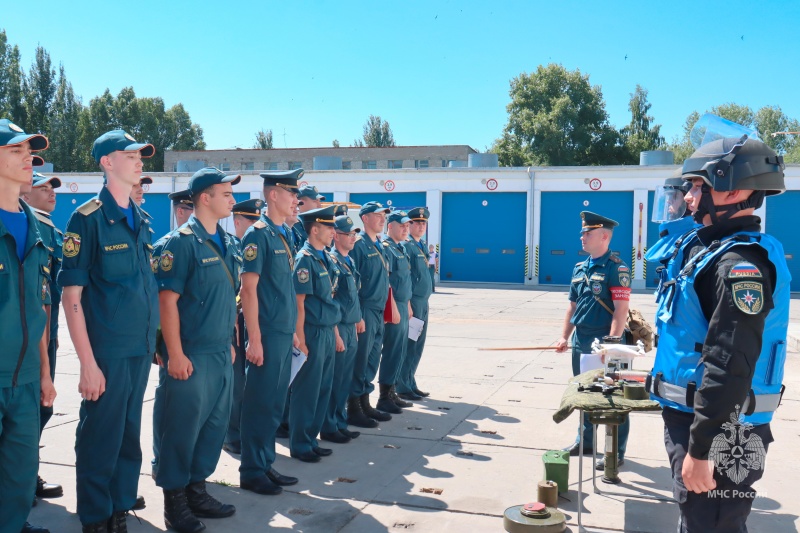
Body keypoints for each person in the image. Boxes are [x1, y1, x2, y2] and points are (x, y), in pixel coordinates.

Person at [648, 136, 789, 531]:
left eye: (698, 186)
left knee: (711, 525)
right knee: (696, 520)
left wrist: (703, 447)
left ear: (738, 189)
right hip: (697, 419)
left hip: (724, 434)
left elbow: (729, 361)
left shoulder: (739, 266)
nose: (689, 198)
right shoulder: (710, 250)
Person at [59, 129, 159, 533]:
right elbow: (72, 297)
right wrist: (87, 363)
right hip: (108, 350)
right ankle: (97, 516)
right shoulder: (86, 219)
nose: (139, 161)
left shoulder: (143, 220)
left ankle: (119, 506)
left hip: (139, 346)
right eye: (130, 155)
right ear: (107, 163)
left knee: (129, 434)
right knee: (101, 435)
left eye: (140, 156)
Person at [154, 167, 241, 532]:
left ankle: (196, 490)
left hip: (221, 352)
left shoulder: (228, 242)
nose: (232, 200)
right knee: (180, 428)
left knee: (212, 427)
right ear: (205, 197)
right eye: (226, 194)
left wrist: (232, 341)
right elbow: (166, 302)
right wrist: (174, 353)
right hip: (190, 353)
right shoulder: (180, 243)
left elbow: (229, 297)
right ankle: (175, 503)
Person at [0, 119, 56, 533]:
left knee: (21, 471)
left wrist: (45, 372)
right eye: (16, 151)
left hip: (24, 379)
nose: (28, 160)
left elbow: (39, 307)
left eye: (29, 152)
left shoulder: (36, 227)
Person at [238, 169, 303, 496]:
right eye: (292, 193)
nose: (297, 200)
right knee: (260, 403)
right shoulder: (258, 235)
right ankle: (251, 469)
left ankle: (264, 462)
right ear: (273, 195)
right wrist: (255, 338)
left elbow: (284, 288)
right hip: (264, 334)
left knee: (275, 403)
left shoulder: (284, 234)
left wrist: (291, 330)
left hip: (281, 332)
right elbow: (248, 290)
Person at [554, 211, 631, 467]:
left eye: (588, 233)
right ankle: (585, 441)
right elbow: (572, 307)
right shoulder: (579, 268)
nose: (582, 237)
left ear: (604, 236)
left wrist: (612, 343)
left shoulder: (617, 268)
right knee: (584, 393)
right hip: (581, 341)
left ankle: (615, 451)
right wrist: (564, 337)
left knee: (612, 397)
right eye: (582, 233)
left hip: (607, 344)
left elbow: (621, 309)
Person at [21, 172, 66, 502]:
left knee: (39, 408)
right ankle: (21, 477)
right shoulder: (39, 228)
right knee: (31, 409)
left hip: (44, 334)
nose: (51, 193)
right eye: (44, 187)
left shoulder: (50, 228)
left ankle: (23, 475)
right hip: (28, 335)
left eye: (53, 188)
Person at [288, 205, 341, 462]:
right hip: (311, 332)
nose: (333, 231)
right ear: (315, 229)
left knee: (322, 388)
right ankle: (299, 443)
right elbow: (299, 303)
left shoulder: (325, 258)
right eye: (329, 227)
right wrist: (301, 339)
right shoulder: (305, 259)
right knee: (307, 390)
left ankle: (311, 438)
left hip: (327, 330)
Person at [348, 201, 394, 428]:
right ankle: (354, 407)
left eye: (384, 215)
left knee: (372, 359)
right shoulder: (358, 245)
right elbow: (352, 283)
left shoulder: (381, 246)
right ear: (364, 218)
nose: (382, 219)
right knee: (360, 360)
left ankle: (365, 402)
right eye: (377, 215)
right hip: (364, 308)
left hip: (378, 310)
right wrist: (357, 315)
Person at [223, 198, 262, 455]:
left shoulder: (251, 245)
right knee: (235, 383)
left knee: (248, 383)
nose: (255, 226)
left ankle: (243, 429)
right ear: (238, 221)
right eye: (251, 221)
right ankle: (231, 433)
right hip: (234, 320)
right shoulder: (229, 246)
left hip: (250, 320)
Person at [320, 214, 364, 443]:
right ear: (336, 236)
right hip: (339, 328)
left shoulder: (349, 260)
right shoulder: (332, 261)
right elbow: (332, 299)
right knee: (335, 380)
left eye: (354, 233)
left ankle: (340, 421)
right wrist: (336, 333)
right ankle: (329, 425)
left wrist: (358, 317)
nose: (353, 237)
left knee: (345, 379)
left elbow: (352, 295)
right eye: (349, 234)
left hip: (351, 326)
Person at [375, 210, 414, 414]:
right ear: (390, 226)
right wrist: (394, 307)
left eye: (407, 226)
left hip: (402, 303)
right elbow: (387, 282)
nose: (406, 229)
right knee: (391, 350)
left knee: (399, 350)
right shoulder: (388, 248)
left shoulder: (401, 248)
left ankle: (392, 392)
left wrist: (407, 303)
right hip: (393, 305)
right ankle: (384, 397)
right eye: (402, 225)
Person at [397, 207, 433, 400]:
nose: (420, 226)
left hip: (423, 302)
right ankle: (402, 385)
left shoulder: (421, 245)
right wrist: (409, 303)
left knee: (418, 345)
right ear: (408, 224)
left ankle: (410, 381)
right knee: (409, 344)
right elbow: (406, 278)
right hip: (413, 304)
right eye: (416, 222)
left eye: (423, 223)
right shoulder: (408, 246)